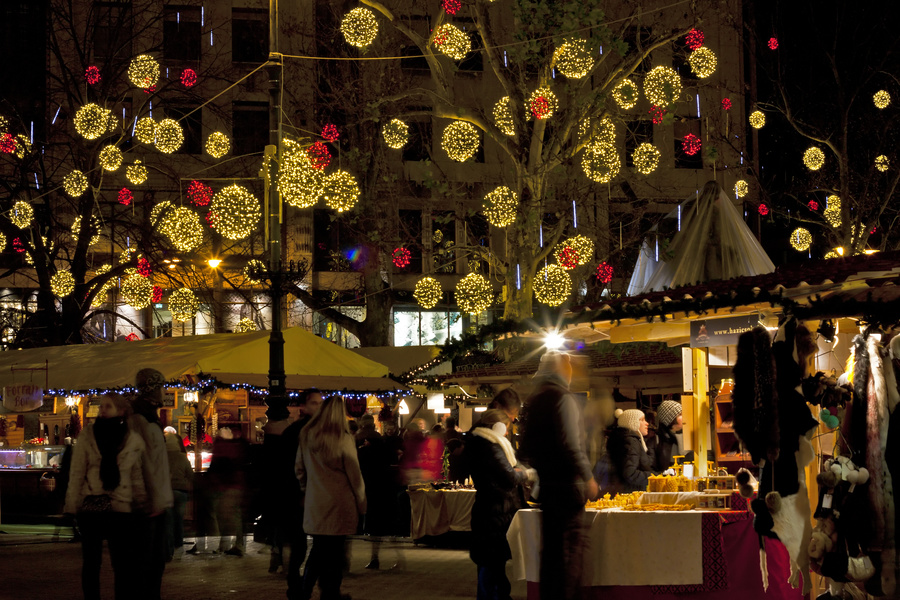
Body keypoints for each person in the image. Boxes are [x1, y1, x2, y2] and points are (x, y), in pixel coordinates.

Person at [520, 351, 597, 600]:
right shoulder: (562, 398)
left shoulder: (536, 399)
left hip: (549, 489)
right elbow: (571, 444)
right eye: (570, 367)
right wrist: (588, 477)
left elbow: (527, 446)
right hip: (567, 488)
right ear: (563, 370)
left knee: (552, 555)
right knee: (568, 556)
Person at [64, 394, 148, 600]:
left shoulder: (132, 439)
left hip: (120, 506)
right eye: (101, 406)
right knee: (92, 563)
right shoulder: (88, 435)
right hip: (92, 503)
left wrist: (141, 501)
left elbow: (136, 474)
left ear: (120, 411)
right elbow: (77, 473)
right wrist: (70, 505)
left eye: (107, 406)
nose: (102, 410)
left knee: (121, 564)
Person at [296, 396, 366, 600]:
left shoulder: (307, 434)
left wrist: (306, 489)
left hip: (316, 500)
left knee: (318, 549)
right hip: (339, 502)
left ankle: (306, 589)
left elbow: (299, 468)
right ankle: (330, 591)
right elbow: (355, 475)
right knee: (335, 552)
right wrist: (361, 503)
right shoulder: (343, 438)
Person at [464, 409, 533, 600]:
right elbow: (509, 476)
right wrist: (526, 474)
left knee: (492, 561)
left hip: (490, 509)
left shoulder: (478, 443)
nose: (507, 433)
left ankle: (497, 595)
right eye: (507, 427)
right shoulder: (491, 446)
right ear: (499, 427)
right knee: (492, 560)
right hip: (495, 511)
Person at [129, 368, 174, 600]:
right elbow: (143, 463)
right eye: (161, 387)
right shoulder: (140, 418)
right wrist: (150, 498)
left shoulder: (150, 416)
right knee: (149, 563)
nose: (164, 391)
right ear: (152, 389)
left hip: (157, 501)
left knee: (156, 562)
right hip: (148, 504)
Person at [281, 389, 323, 598]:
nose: (318, 407)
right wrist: (300, 492)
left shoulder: (313, 430)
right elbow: (291, 466)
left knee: (314, 544)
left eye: (320, 403)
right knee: (301, 545)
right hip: (300, 496)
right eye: (314, 403)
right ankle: (298, 586)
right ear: (303, 407)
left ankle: (302, 586)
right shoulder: (299, 432)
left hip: (312, 495)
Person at [606, 408, 655, 494]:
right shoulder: (631, 442)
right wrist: (655, 477)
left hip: (626, 491)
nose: (647, 423)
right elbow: (630, 474)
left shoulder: (625, 439)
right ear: (633, 423)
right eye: (642, 420)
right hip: (632, 493)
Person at [163, 426, 192, 560]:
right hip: (181, 491)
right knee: (178, 519)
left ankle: (168, 550)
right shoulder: (182, 457)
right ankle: (179, 544)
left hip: (166, 492)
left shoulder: (161, 457)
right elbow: (190, 474)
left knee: (168, 521)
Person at [654, 400, 683, 472]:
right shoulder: (658, 439)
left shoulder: (688, 436)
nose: (684, 417)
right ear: (671, 419)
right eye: (680, 414)